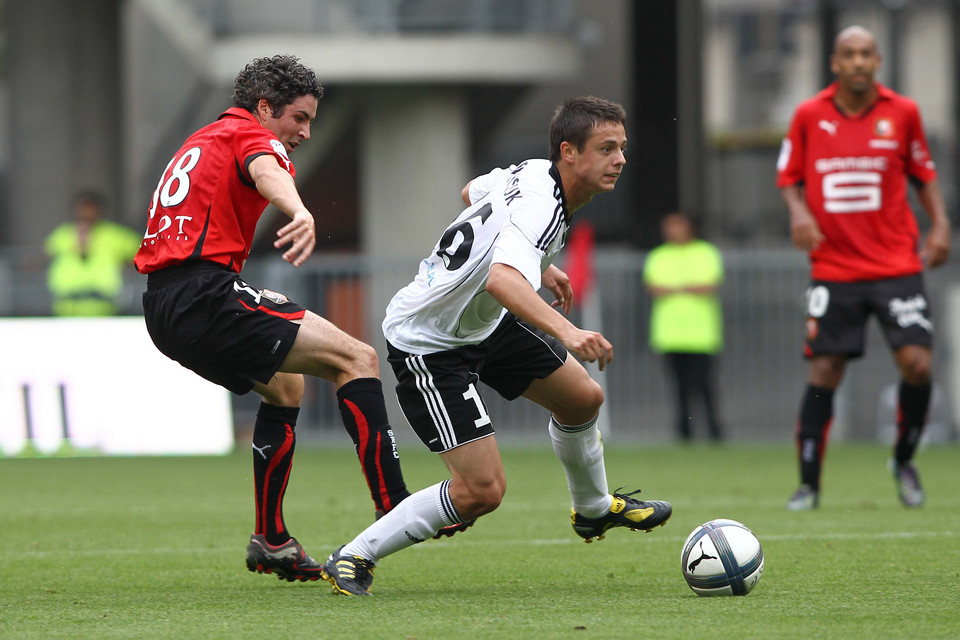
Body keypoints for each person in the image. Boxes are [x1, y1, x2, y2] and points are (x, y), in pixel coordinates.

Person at [319, 96, 673, 596]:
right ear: (568, 153)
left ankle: (593, 511)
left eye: (622, 148)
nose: (620, 159)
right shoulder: (544, 207)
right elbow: (502, 282)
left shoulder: (532, 172)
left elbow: (473, 193)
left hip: (483, 324)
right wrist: (568, 331)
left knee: (583, 398)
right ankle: (354, 555)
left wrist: (537, 262)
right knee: (480, 492)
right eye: (607, 148)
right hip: (430, 342)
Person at [134, 55, 465, 583]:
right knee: (356, 357)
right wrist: (300, 210)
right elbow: (267, 170)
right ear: (264, 108)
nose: (305, 132)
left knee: (285, 387)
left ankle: (272, 540)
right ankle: (395, 504)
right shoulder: (250, 137)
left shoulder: (204, 138)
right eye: (299, 119)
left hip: (164, 305)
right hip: (205, 293)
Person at [776, 26, 950, 510]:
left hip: (897, 264)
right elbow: (788, 178)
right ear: (835, 62)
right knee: (825, 369)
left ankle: (904, 459)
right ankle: (808, 483)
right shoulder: (810, 115)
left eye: (865, 54)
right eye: (848, 54)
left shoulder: (903, 112)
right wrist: (799, 212)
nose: (857, 62)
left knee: (917, 365)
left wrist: (940, 226)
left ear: (877, 61)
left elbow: (925, 176)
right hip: (834, 267)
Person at [643, 212, 724, 442]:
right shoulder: (658, 255)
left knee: (705, 385)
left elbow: (709, 285)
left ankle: (714, 431)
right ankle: (684, 432)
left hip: (702, 334)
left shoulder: (706, 252)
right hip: (670, 334)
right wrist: (688, 287)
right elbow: (654, 288)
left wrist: (673, 289)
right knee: (679, 386)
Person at [45, 190, 142, 316]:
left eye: (91, 207)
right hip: (67, 306)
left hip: (104, 305)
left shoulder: (115, 235)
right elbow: (44, 257)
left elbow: (143, 255)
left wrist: (128, 268)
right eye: (83, 207)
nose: (86, 212)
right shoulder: (63, 234)